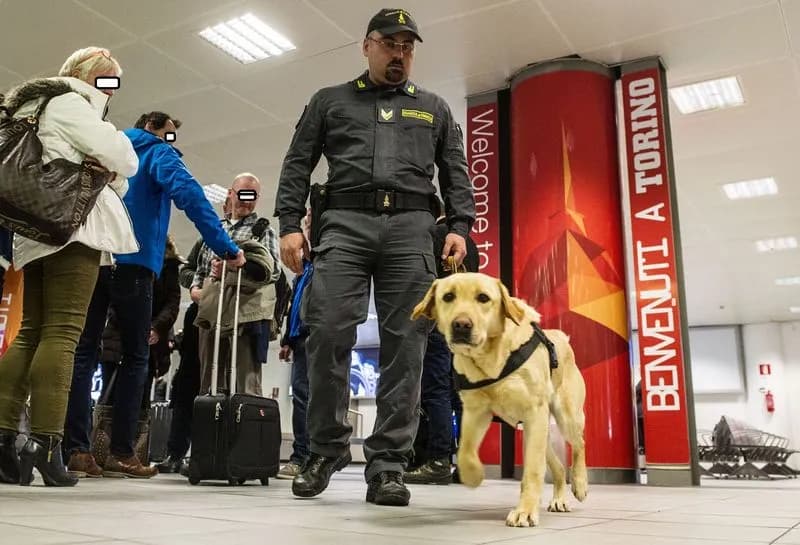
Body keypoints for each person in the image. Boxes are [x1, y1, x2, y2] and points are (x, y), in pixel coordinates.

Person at [275, 8, 475, 506]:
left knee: (407, 346)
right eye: (390, 43)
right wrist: (286, 225)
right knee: (325, 331)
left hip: (412, 228)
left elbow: (455, 172)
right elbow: (298, 162)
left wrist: (459, 227)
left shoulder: (433, 107)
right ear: (367, 45)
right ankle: (324, 450)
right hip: (344, 222)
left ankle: (388, 464)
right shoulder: (330, 101)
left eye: (408, 46)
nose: (400, 53)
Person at [62, 112, 244, 480]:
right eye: (169, 134)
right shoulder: (157, 152)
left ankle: (76, 450)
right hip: (134, 264)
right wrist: (225, 246)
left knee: (83, 350)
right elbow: (190, 196)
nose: (172, 141)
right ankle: (121, 452)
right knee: (135, 357)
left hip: (95, 258)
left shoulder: (110, 146)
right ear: (154, 128)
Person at [0, 46, 139, 487]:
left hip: (33, 230)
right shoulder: (73, 103)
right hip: (72, 227)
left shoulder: (35, 105)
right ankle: (44, 444)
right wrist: (112, 162)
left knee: (30, 332)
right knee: (63, 332)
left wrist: (111, 166)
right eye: (109, 81)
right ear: (89, 76)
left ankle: (4, 441)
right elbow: (126, 160)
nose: (110, 91)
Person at [405, 211, 480, 485]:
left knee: (435, 391)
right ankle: (464, 463)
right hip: (467, 328)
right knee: (460, 395)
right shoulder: (469, 243)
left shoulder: (434, 236)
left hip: (440, 322)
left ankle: (437, 458)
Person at [193, 173, 276, 397]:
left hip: (246, 315)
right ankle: (210, 430)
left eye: (253, 196)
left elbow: (272, 272)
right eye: (243, 194)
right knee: (210, 384)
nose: (248, 202)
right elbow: (199, 269)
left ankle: (244, 430)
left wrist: (231, 269)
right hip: (212, 314)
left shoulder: (264, 231)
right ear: (230, 194)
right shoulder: (214, 230)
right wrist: (196, 290)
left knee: (245, 385)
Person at [277, 210, 313, 480]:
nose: (307, 228)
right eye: (307, 222)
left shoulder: (328, 265)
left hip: (320, 336)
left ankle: (311, 455)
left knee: (315, 398)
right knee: (301, 397)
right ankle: (301, 456)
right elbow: (295, 306)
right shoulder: (302, 270)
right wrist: (288, 339)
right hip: (301, 339)